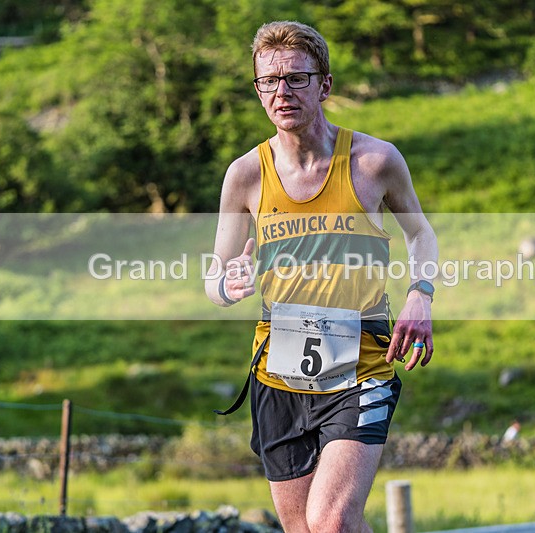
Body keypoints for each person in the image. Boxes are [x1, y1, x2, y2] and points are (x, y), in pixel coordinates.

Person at [205, 20, 438, 532]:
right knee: (304, 530)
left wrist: (421, 295)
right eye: (267, 80)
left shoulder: (374, 162)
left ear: (324, 85)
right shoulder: (245, 174)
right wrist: (230, 283)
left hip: (362, 363)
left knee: (330, 521)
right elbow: (214, 279)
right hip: (277, 372)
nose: (280, 92)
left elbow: (421, 234)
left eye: (295, 78)